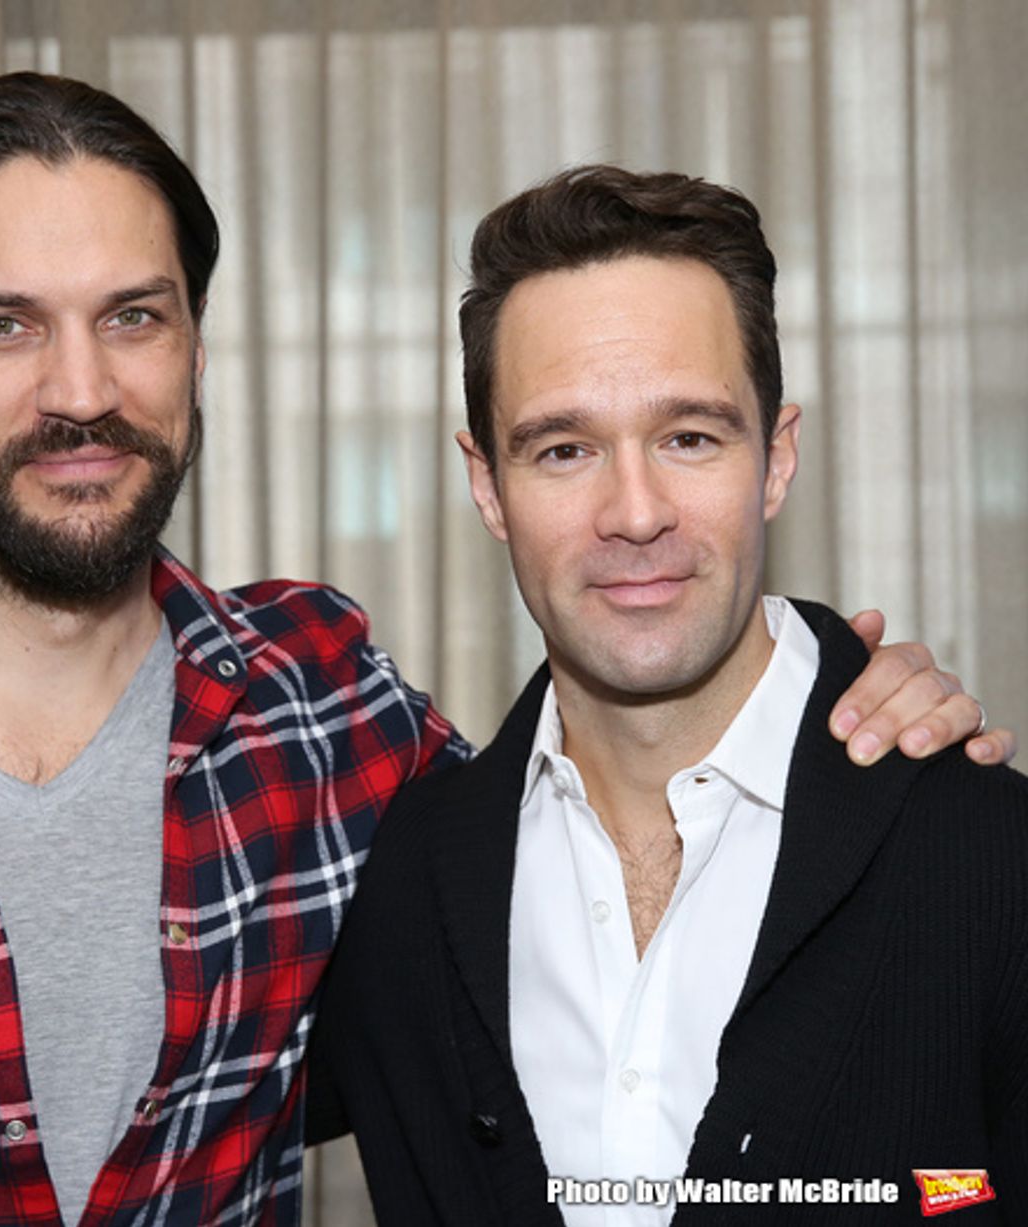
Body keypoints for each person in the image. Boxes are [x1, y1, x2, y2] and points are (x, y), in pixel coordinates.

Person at [0, 77, 1007, 1227]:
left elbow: (632, 770)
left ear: (195, 350)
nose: (81, 388)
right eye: (5, 324)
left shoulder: (325, 715)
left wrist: (864, 711)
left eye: (133, 315)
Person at [307, 165, 1028, 1225]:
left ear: (774, 458)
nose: (635, 513)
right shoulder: (398, 881)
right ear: (487, 486)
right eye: (563, 450)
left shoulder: (990, 855)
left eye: (689, 437)